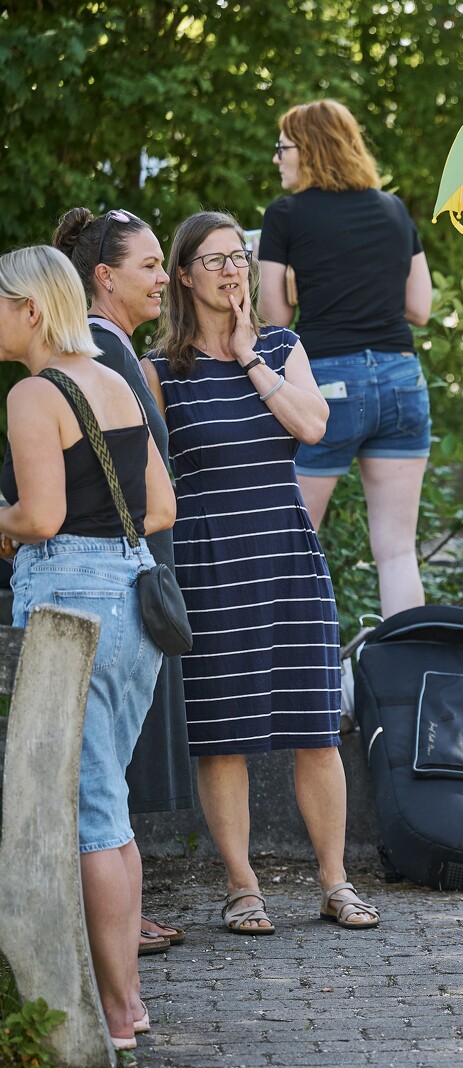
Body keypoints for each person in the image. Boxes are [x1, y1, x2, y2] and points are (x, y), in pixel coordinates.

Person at [144, 211, 378, 937]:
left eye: (237, 257)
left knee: (315, 726)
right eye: (211, 261)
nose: (229, 270)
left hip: (286, 550)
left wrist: (251, 356)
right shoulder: (160, 372)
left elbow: (312, 427)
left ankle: (335, 881)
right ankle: (242, 886)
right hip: (211, 559)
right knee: (224, 734)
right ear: (182, 275)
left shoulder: (281, 346)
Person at [0, 244, 177, 1051]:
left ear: (30, 308)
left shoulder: (36, 393)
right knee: (113, 810)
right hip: (133, 599)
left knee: (92, 815)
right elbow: (160, 508)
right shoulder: (116, 378)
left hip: (71, 607)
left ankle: (117, 1012)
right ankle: (127, 999)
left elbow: (36, 517)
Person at [51, 207, 194, 956]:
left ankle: (119, 916)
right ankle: (111, 926)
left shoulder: (114, 348)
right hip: (114, 575)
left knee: (113, 757)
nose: (164, 277)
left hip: (128, 568)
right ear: (103, 278)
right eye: (147, 266)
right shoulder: (102, 355)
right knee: (109, 760)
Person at [258, 98, 433, 618]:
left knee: (293, 545)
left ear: (309, 150)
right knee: (398, 551)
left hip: (329, 385)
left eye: (283, 147)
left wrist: (293, 282)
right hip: (402, 378)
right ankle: (402, 679)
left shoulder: (285, 215)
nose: (277, 158)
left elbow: (273, 315)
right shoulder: (392, 209)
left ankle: (289, 678)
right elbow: (420, 307)